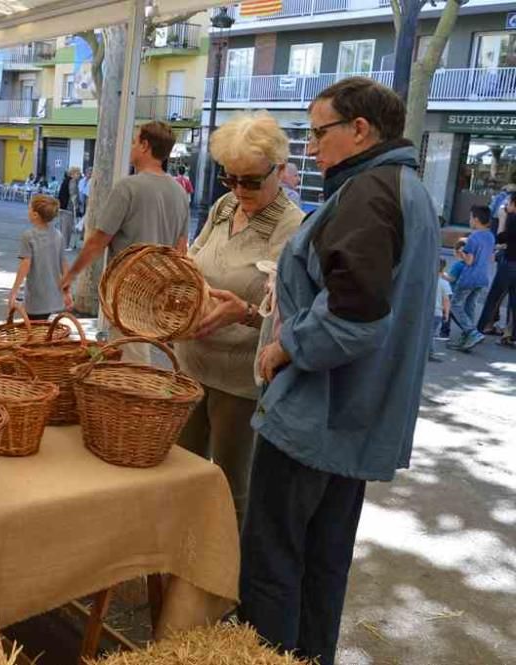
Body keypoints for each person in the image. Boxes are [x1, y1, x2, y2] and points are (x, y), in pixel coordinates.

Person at [244, 77, 439, 665]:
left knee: (275, 563)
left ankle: (268, 656)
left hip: (316, 419)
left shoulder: (369, 193)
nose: (309, 146)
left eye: (317, 131)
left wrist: (281, 349)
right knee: (323, 564)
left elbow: (353, 319)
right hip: (350, 420)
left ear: (360, 129)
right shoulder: (401, 188)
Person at [173, 112, 302, 527]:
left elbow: (288, 314)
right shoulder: (224, 206)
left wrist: (245, 313)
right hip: (191, 361)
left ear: (279, 171)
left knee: (231, 489)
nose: (239, 189)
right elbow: (195, 257)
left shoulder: (292, 226)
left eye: (251, 181)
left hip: (240, 379)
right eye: (230, 179)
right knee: (182, 476)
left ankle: (227, 581)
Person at [61, 121, 190, 364]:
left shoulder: (127, 187)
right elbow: (182, 249)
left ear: (145, 146)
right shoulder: (179, 193)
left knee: (131, 364)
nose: (131, 147)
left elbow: (98, 241)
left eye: (134, 141)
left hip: (129, 292)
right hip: (159, 292)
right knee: (138, 353)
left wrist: (71, 275)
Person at [9, 195, 72, 320]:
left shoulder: (28, 236)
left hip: (36, 300)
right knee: (50, 334)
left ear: (35, 215)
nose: (27, 211)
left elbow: (25, 265)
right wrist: (67, 291)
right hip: (56, 299)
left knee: (35, 333)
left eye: (29, 209)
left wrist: (14, 291)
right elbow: (64, 265)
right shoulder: (58, 235)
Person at [448, 205, 495, 351]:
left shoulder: (473, 237)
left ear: (475, 220)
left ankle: (471, 332)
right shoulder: (490, 236)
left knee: (455, 304)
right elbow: (491, 257)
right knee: (469, 307)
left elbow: (469, 261)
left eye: (470, 218)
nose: (469, 221)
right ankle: (466, 339)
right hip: (482, 277)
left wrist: (460, 253)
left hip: (469, 277)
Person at [480, 194, 516, 346]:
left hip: (510, 263)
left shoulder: (513, 218)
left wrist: (502, 219)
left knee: (494, 297)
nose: (506, 206)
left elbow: (501, 238)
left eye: (508, 203)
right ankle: (512, 336)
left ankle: (478, 329)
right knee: (514, 301)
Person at [430, 259, 452, 362]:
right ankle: (430, 353)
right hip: (437, 312)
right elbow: (446, 300)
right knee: (431, 333)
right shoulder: (444, 283)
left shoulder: (428, 280)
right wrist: (446, 313)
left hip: (427, 311)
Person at [57, 167, 81, 250]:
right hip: (68, 207)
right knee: (67, 227)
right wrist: (76, 205)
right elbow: (73, 194)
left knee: (62, 226)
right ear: (73, 174)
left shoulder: (65, 180)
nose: (79, 175)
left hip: (62, 206)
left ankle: (61, 245)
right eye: (78, 173)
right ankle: (65, 245)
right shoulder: (72, 181)